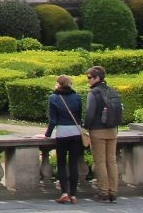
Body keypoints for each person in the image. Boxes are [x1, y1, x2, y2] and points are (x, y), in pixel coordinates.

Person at [84, 65, 124, 202]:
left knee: (100, 162)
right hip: (112, 130)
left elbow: (90, 113)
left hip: (97, 130)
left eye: (90, 77)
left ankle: (103, 192)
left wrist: (85, 127)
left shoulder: (93, 93)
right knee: (112, 162)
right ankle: (113, 191)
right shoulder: (112, 91)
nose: (88, 80)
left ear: (97, 78)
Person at [44, 74, 86, 205]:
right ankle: (73, 195)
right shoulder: (77, 97)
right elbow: (79, 117)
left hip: (62, 133)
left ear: (59, 84)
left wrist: (47, 134)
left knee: (62, 164)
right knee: (73, 164)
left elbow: (53, 120)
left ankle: (64, 193)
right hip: (76, 133)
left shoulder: (54, 98)